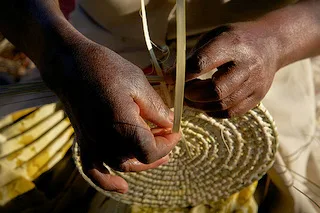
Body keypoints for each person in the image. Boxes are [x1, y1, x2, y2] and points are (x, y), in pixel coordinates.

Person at [0, 0, 320, 212]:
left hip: (265, 83)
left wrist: (277, 41)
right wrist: (58, 54)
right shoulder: (68, 63)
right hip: (80, 71)